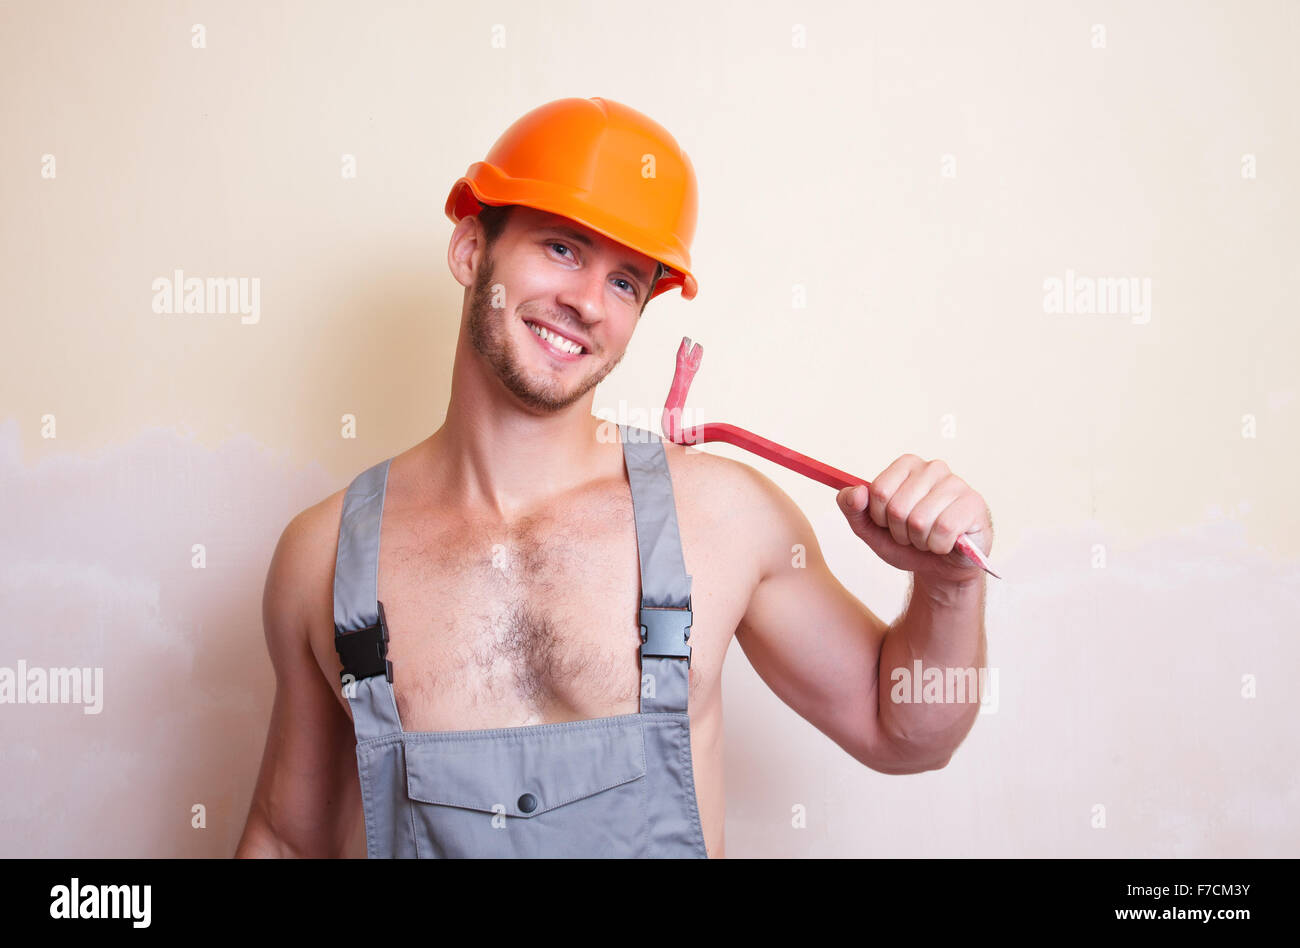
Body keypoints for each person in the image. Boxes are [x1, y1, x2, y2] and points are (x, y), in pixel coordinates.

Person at [235, 97, 993, 859]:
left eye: (627, 281)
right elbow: (287, 839)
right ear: (471, 250)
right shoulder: (323, 557)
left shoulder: (722, 519)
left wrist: (948, 590)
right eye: (562, 248)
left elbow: (903, 734)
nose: (588, 303)